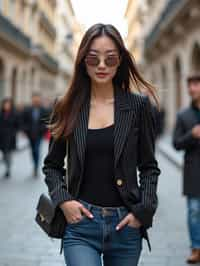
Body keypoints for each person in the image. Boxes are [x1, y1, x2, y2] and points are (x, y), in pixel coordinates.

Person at [43, 23, 161, 266]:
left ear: (120, 62)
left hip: (125, 226)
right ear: (82, 61)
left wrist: (142, 212)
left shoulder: (138, 107)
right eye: (93, 59)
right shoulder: (66, 106)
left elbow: (149, 167)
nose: (102, 66)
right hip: (80, 226)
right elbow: (52, 166)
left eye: (110, 59)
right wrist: (64, 201)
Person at [173, 74, 200, 264]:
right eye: (190, 85)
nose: (192, 88)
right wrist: (192, 135)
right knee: (193, 210)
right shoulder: (183, 115)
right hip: (193, 171)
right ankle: (196, 248)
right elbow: (176, 143)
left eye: (196, 85)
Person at [22, 93, 47, 177]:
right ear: (32, 99)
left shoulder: (43, 110)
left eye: (37, 98)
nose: (36, 100)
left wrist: (43, 130)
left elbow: (47, 121)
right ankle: (34, 164)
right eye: (34, 99)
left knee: (37, 150)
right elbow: (23, 121)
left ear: (39, 99)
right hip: (30, 134)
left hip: (39, 134)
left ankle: (36, 167)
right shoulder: (27, 109)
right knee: (33, 151)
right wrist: (25, 130)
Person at [0, 98, 19, 178]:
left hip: (10, 137)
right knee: (4, 153)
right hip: (2, 137)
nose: (7, 106)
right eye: (5, 104)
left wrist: (14, 133)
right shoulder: (1, 114)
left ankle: (8, 169)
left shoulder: (14, 114)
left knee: (8, 153)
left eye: (8, 104)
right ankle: (7, 164)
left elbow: (17, 125)